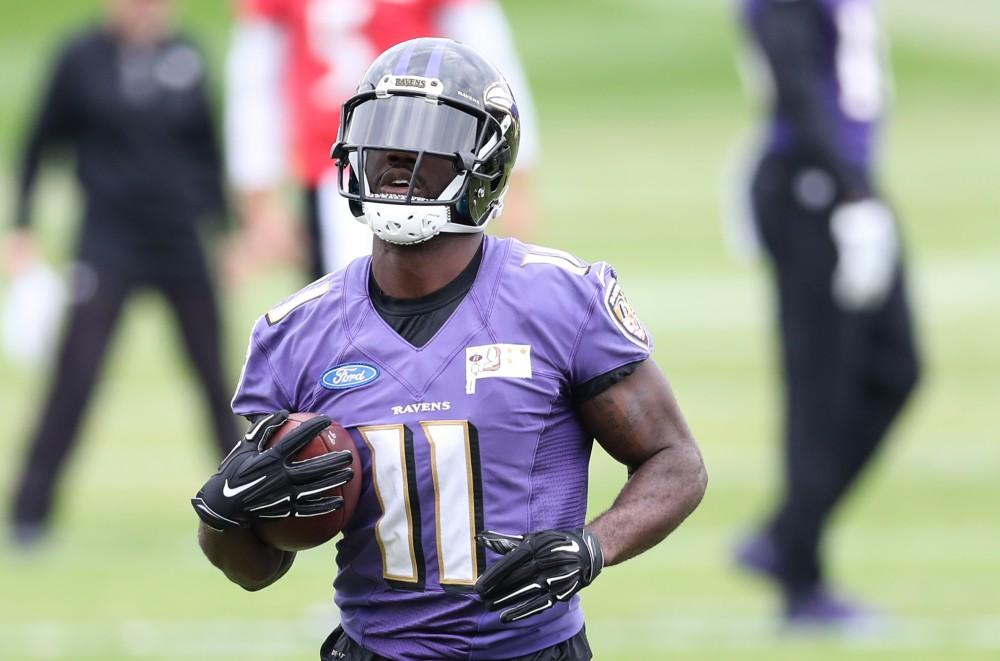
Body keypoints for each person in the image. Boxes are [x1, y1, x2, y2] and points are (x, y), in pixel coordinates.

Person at [192, 38, 707, 660]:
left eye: (432, 139)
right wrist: (222, 518)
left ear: (485, 161)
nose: (398, 158)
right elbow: (257, 568)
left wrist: (593, 545)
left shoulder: (561, 299)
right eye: (383, 131)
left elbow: (675, 461)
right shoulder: (295, 333)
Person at [7, 0, 239, 545]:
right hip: (109, 242)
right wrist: (21, 225)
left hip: (180, 242)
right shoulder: (81, 59)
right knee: (75, 376)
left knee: (216, 380)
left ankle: (243, 509)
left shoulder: (186, 56)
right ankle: (28, 516)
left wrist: (225, 232)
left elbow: (207, 151)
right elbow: (38, 144)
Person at [734, 0, 921, 627]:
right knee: (820, 389)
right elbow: (792, 73)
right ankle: (801, 580)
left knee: (897, 367)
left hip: (851, 182)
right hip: (815, 187)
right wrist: (848, 189)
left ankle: (787, 534)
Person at [223, 0, 541, 283]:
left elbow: (252, 86)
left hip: (420, 158)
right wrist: (259, 203)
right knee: (352, 312)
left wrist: (258, 194)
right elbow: (494, 71)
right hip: (348, 166)